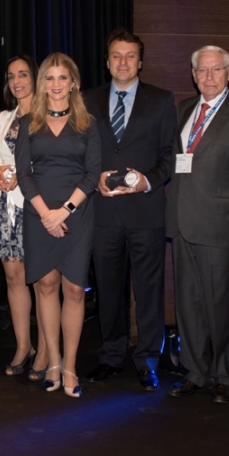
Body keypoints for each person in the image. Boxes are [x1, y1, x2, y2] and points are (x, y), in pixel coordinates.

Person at [165, 46, 229, 404]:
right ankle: (195, 371)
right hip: (182, 225)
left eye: (215, 70)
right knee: (188, 306)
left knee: (221, 306)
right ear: (193, 76)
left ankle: (225, 374)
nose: (208, 77)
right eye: (201, 71)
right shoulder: (182, 111)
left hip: (222, 230)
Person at [84, 28, 176, 391]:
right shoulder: (87, 100)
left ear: (140, 61)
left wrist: (147, 180)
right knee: (107, 290)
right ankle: (110, 356)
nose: (123, 62)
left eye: (130, 56)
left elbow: (170, 157)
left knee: (148, 290)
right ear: (107, 62)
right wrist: (94, 179)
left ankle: (148, 360)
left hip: (146, 211)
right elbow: (78, 153)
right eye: (116, 56)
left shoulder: (162, 100)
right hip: (103, 213)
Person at [15, 53, 102, 398]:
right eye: (49, 78)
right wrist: (44, 213)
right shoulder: (28, 123)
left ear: (73, 82)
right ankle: (52, 361)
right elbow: (23, 174)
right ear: (42, 84)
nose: (55, 85)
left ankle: (70, 367)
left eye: (62, 78)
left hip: (76, 213)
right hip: (39, 213)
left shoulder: (88, 124)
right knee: (47, 286)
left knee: (74, 290)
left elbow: (93, 173)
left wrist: (63, 211)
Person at [0, 55, 45, 377]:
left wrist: (23, 177)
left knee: (42, 280)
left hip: (36, 207)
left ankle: (47, 349)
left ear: (36, 78)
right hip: (6, 207)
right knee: (13, 278)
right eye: (11, 76)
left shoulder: (49, 114)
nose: (17, 81)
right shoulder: (4, 117)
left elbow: (51, 163)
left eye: (23, 74)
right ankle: (24, 345)